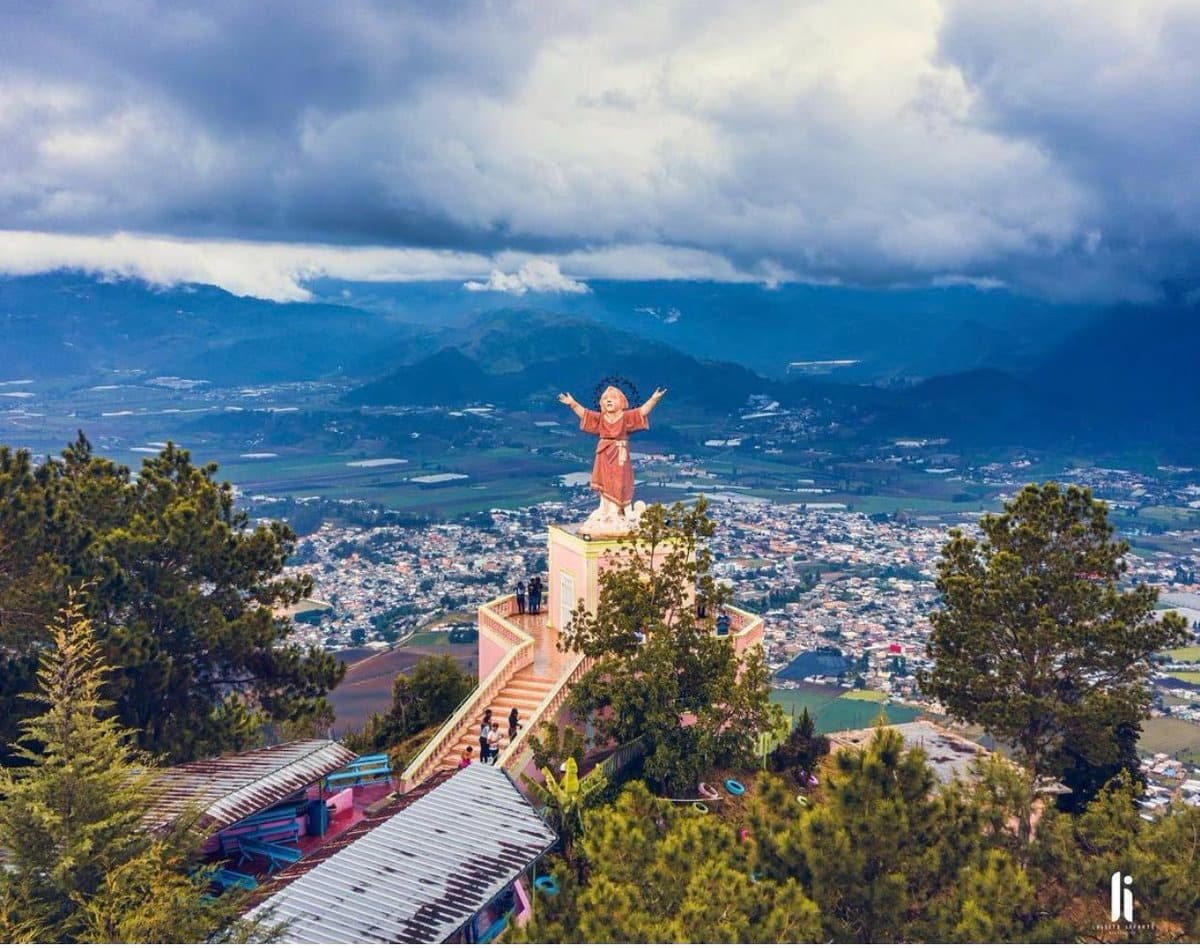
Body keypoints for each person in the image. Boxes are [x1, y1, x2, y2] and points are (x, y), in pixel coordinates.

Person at [558, 384, 666, 529]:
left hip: (620, 452)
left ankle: (618, 508)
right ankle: (606, 508)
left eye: (613, 398)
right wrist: (573, 404)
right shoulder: (601, 418)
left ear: (621, 402)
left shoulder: (626, 417)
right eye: (606, 398)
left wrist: (653, 400)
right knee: (605, 481)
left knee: (620, 480)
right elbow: (586, 414)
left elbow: (641, 412)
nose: (609, 401)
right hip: (604, 452)